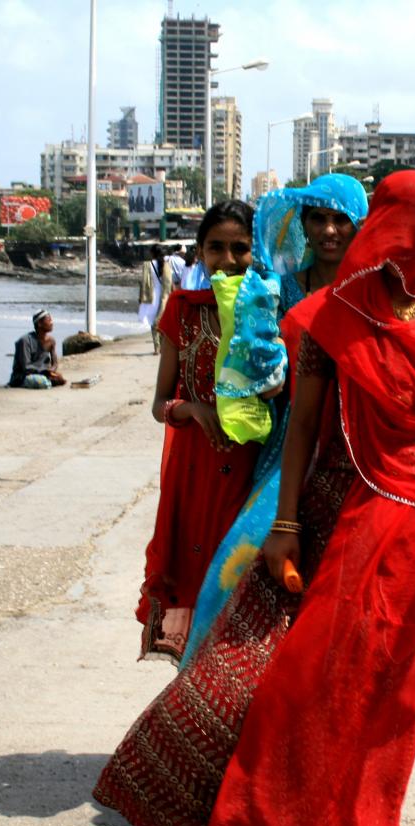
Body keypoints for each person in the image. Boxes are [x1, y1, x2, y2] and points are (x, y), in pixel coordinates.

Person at [94, 172, 415, 826]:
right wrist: (283, 522)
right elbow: (304, 427)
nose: (401, 238)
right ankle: (278, 817)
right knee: (290, 667)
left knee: (392, 686)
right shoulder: (332, 312)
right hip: (331, 505)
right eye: (392, 220)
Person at [180, 174, 368, 667]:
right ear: (302, 224)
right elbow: (249, 372)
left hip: (358, 449)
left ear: (359, 226)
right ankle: (210, 682)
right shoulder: (274, 291)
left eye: (340, 220)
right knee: (244, 560)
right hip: (289, 441)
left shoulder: (372, 292)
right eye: (318, 218)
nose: (329, 230)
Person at [135, 200, 265, 664]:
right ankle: (194, 708)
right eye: (216, 248)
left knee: (244, 591)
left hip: (252, 474)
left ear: (257, 250)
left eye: (240, 248)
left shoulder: (270, 312)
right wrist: (190, 409)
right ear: (199, 252)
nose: (227, 259)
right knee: (197, 582)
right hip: (195, 476)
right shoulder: (182, 312)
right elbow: (158, 405)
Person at [9, 310, 66, 388]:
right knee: (43, 382)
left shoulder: (51, 341)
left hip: (42, 373)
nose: (52, 322)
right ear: (39, 324)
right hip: (23, 376)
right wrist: (44, 371)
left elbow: (55, 363)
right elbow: (26, 367)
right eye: (49, 320)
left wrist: (52, 370)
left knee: (60, 379)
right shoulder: (24, 341)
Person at [138, 244, 172, 354]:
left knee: (154, 323)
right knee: (162, 321)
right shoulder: (166, 265)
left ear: (152, 253)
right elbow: (168, 283)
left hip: (152, 296)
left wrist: (141, 297)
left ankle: (157, 348)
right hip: (164, 296)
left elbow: (144, 282)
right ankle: (162, 346)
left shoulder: (148, 265)